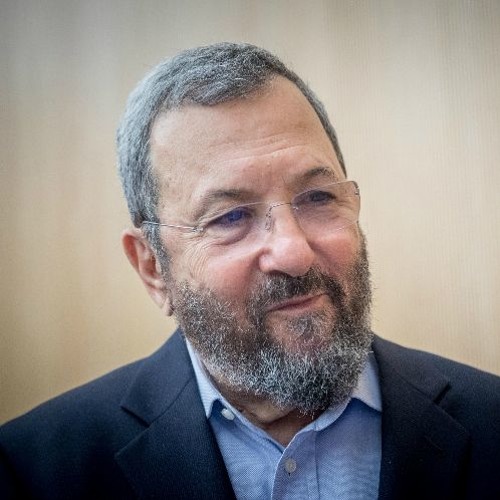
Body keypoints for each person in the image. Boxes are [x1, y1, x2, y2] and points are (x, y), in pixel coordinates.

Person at [1, 42, 499, 500]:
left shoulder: (491, 423)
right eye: (230, 217)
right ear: (153, 268)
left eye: (317, 197)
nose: (293, 252)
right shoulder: (33, 473)